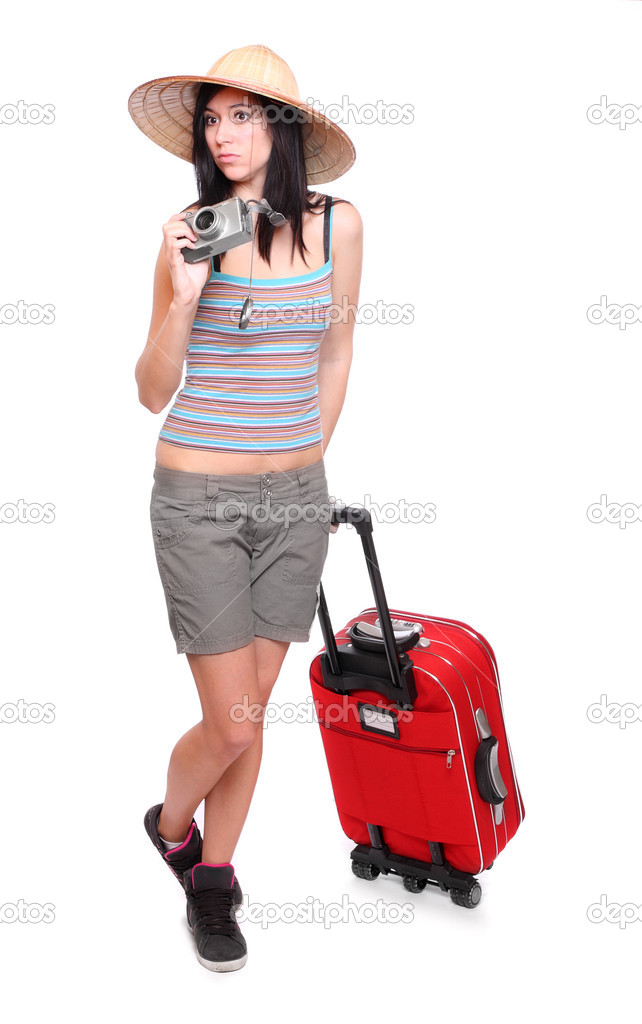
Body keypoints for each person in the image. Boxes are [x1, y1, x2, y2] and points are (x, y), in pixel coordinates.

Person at [128, 43, 363, 972]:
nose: (225, 134)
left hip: (298, 500)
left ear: (285, 128)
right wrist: (184, 299)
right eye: (214, 118)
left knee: (255, 716)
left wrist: (309, 457)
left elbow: (337, 353)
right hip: (199, 501)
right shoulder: (190, 231)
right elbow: (151, 388)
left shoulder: (338, 224)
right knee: (231, 723)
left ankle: (214, 881)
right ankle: (172, 824)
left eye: (245, 115)